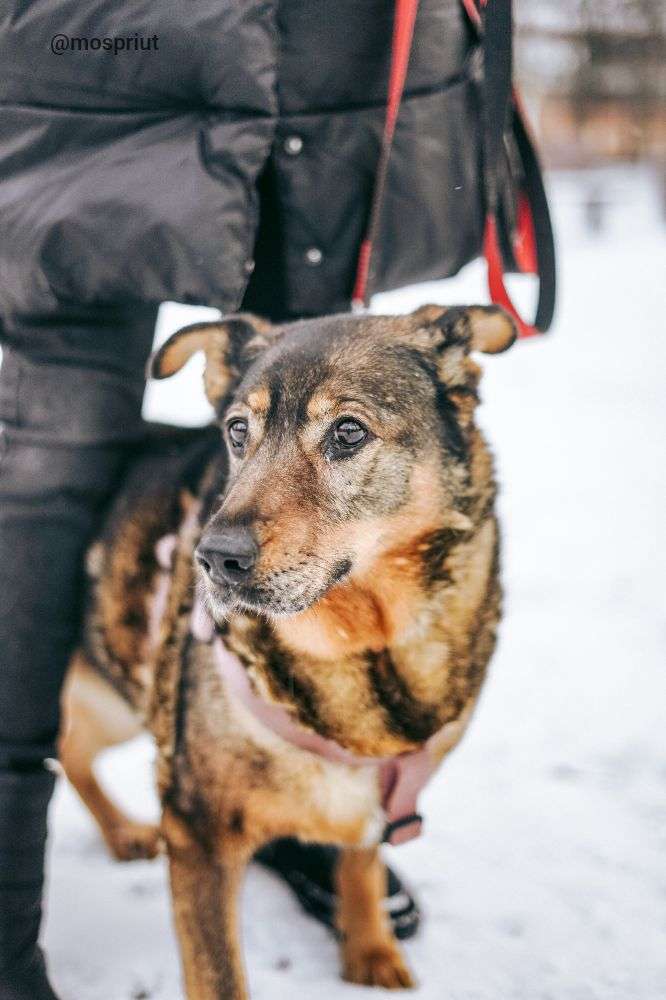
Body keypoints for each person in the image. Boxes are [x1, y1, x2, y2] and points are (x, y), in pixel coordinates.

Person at [0, 2, 501, 996]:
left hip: (323, 77)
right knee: (47, 468)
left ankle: (308, 818)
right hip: (93, 60)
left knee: (310, 388)